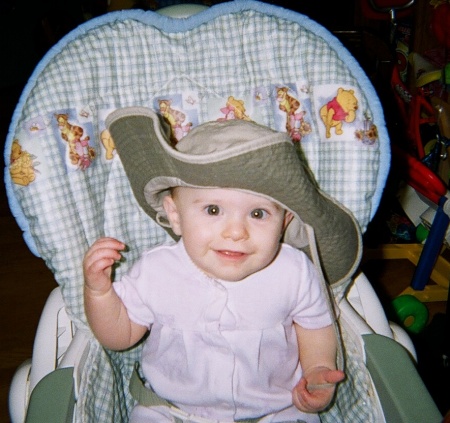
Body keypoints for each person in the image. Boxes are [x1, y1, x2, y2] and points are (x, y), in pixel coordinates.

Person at [84, 107, 361, 422]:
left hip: (275, 408)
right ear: (175, 214)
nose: (235, 232)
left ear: (284, 222)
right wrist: (99, 292)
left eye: (258, 214)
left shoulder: (295, 271)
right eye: (213, 210)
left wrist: (316, 370)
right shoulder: (156, 271)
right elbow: (119, 336)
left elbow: (314, 328)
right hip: (172, 408)